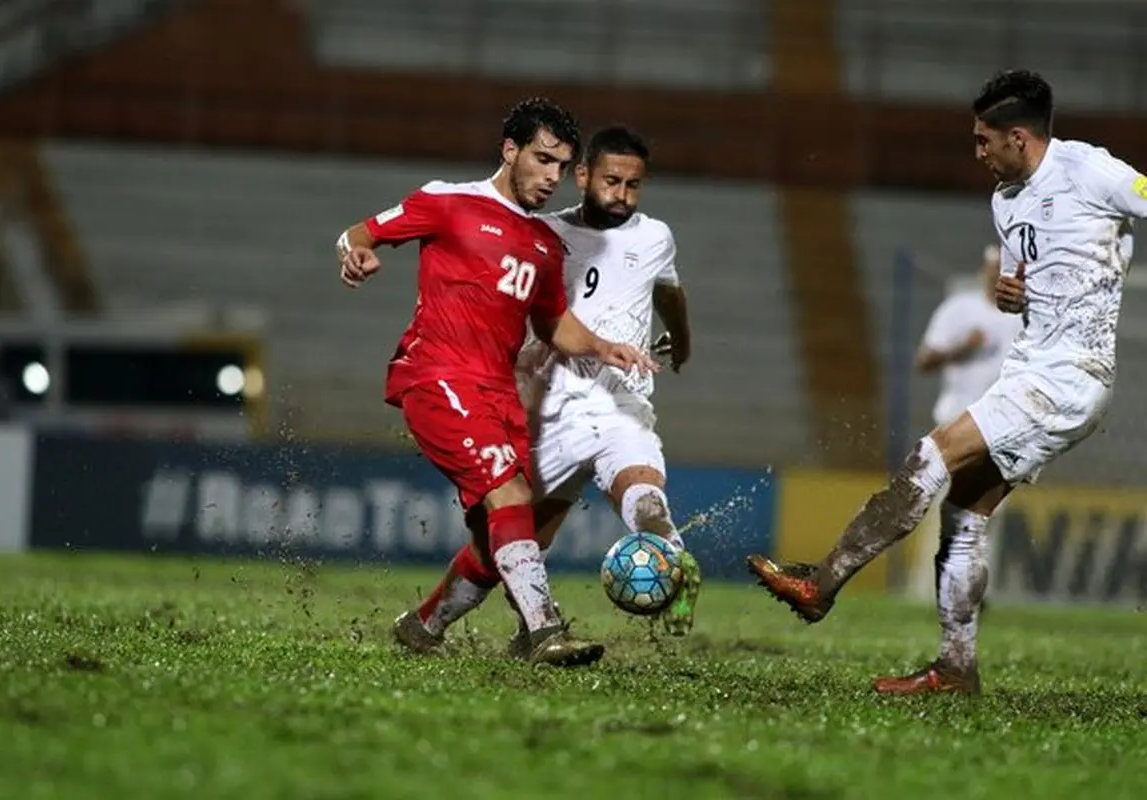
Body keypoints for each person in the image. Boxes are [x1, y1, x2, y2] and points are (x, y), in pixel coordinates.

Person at [747, 69, 1145, 695]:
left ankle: (821, 583)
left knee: (929, 455)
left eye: (985, 140)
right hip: (1032, 369)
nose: (978, 152)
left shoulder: (1093, 172)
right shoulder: (1005, 201)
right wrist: (1012, 295)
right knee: (964, 514)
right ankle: (956, 668)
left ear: (1019, 137)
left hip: (1071, 375)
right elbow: (1014, 289)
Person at [336, 98, 657, 668]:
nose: (552, 177)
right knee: (508, 496)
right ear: (510, 151)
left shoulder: (543, 243)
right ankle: (543, 631)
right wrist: (355, 255)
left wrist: (606, 346)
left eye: (562, 166)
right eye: (542, 160)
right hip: (437, 377)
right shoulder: (447, 202)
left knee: (501, 536)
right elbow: (360, 231)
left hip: (498, 394)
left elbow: (553, 323)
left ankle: (424, 625)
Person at [394, 125, 700, 656]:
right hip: (549, 408)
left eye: (633, 185)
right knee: (504, 547)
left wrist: (684, 340)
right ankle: (427, 624)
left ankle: (667, 564)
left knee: (647, 498)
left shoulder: (656, 237)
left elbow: (670, 290)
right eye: (611, 181)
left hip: (620, 403)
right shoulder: (541, 235)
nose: (622, 195)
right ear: (581, 176)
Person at [910, 244, 1022, 602]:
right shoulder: (960, 309)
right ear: (982, 271)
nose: (996, 274)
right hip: (957, 418)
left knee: (988, 510)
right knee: (948, 504)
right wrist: (962, 348)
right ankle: (936, 585)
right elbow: (924, 361)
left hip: (1003, 427)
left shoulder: (1024, 318)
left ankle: (968, 585)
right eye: (992, 268)